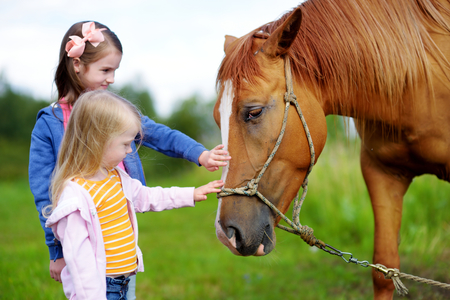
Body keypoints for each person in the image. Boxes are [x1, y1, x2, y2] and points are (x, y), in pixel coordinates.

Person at [28, 21, 230, 299]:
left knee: (123, 277)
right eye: (105, 70)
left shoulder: (115, 112)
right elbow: (44, 192)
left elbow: (159, 134)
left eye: (115, 71)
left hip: (118, 221)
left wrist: (201, 154)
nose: (111, 79)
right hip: (81, 227)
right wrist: (55, 251)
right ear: (77, 65)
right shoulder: (49, 123)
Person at [44, 90, 223, 299]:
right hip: (103, 289)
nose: (130, 151)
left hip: (125, 281)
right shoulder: (75, 197)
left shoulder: (116, 177)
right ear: (97, 141)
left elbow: (148, 197)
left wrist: (191, 193)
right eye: (125, 144)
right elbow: (79, 264)